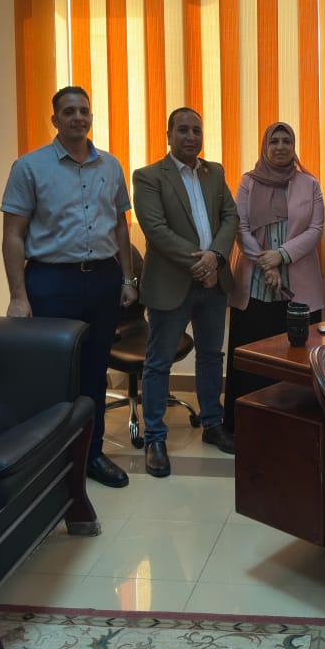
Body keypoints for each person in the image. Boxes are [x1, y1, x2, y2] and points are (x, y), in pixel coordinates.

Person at [1, 85, 137, 488]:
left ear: (91, 117)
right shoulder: (29, 167)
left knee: (94, 372)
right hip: (50, 281)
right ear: (55, 120)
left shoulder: (111, 165)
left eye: (84, 111)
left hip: (103, 279)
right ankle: (50, 460)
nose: (78, 117)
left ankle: (91, 455)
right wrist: (18, 295)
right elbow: (13, 235)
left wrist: (127, 278)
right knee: (53, 373)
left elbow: (120, 226)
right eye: (69, 111)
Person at [133, 107, 239, 476]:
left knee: (211, 356)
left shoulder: (215, 172)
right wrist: (202, 262)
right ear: (168, 135)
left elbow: (230, 217)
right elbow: (155, 229)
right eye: (183, 130)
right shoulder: (149, 176)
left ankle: (212, 424)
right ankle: (155, 437)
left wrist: (217, 257)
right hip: (171, 284)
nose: (191, 136)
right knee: (158, 362)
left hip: (213, 284)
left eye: (197, 130)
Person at [223, 122, 325, 432]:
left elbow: (316, 229)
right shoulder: (248, 182)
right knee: (252, 357)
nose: (280, 147)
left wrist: (280, 256)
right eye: (274, 141)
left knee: (295, 360)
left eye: (286, 141)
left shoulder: (310, 183)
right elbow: (240, 227)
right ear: (265, 147)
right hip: (255, 285)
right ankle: (246, 427)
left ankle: (294, 429)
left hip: (298, 286)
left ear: (294, 146)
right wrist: (266, 265)